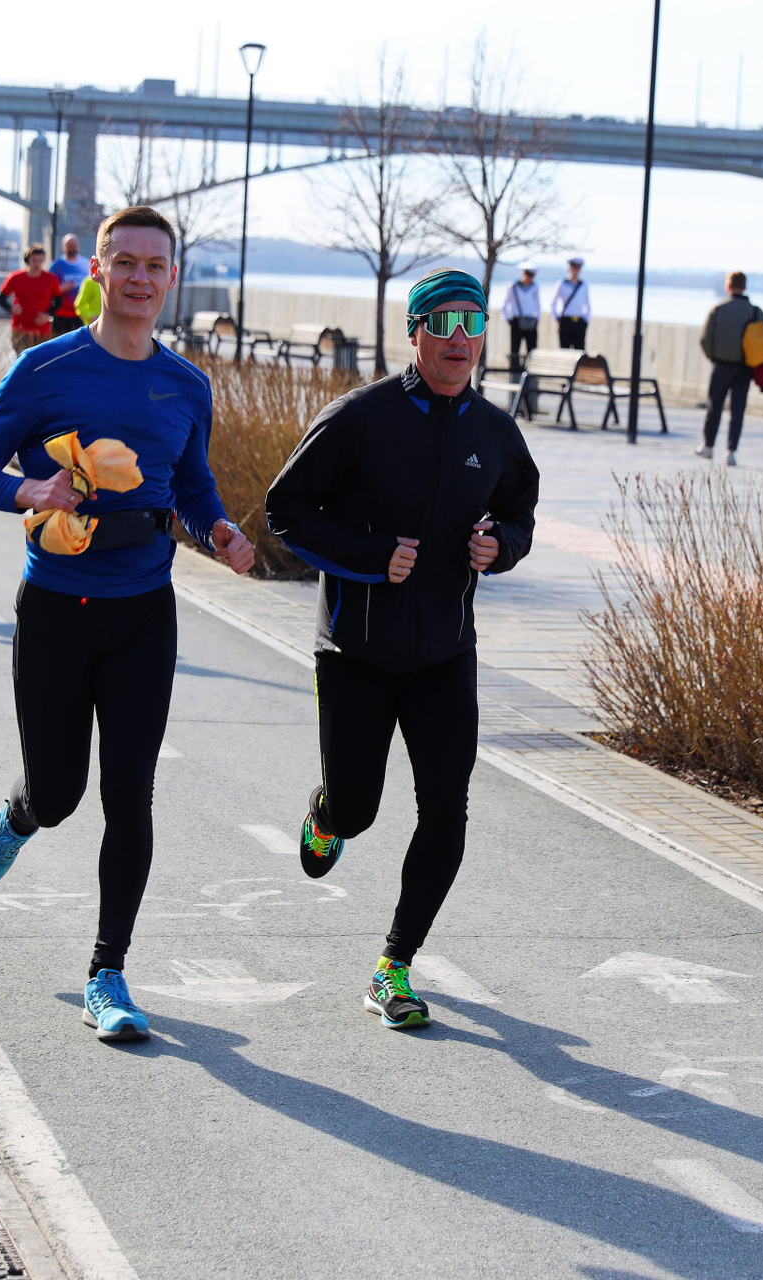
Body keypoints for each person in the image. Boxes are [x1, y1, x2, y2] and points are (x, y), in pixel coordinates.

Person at [0, 205, 255, 1044]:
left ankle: (107, 972)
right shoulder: (46, 369)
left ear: (171, 279)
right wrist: (31, 489)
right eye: (126, 263)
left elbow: (191, 486)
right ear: (99, 272)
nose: (141, 279)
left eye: (156, 266)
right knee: (59, 793)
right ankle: (19, 817)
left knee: (130, 792)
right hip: (55, 607)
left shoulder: (187, 384)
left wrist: (219, 531)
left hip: (144, 611)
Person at [266, 268, 540, 1032]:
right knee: (357, 809)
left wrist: (500, 546)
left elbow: (520, 514)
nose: (459, 340)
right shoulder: (361, 417)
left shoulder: (495, 432)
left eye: (472, 324)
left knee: (446, 813)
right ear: (414, 332)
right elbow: (286, 510)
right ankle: (327, 814)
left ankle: (393, 965)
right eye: (442, 324)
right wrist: (371, 556)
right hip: (355, 650)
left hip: (446, 654)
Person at [697, 271, 763, 465]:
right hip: (745, 368)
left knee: (714, 406)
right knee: (737, 410)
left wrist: (714, 356)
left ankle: (708, 446)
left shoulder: (719, 310)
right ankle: (730, 451)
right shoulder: (755, 312)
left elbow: (705, 339)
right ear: (745, 287)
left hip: (721, 365)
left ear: (727, 286)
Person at [0, 246, 64, 354]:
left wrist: (48, 315)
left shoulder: (51, 279)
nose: (37, 264)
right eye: (34, 260)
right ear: (27, 260)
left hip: (42, 330)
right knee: (22, 359)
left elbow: (58, 301)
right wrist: (11, 308)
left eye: (40, 261)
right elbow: (1, 299)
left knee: (40, 360)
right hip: (20, 329)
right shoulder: (15, 277)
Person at [501, 263, 541, 376]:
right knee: (515, 351)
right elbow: (505, 305)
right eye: (528, 274)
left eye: (532, 275)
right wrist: (510, 320)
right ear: (523, 273)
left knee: (532, 351)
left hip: (531, 322)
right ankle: (514, 375)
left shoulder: (535, 287)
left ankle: (530, 376)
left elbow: (538, 305)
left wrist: (536, 319)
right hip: (517, 321)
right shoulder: (513, 286)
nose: (530, 278)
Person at [48, 233, 91, 337]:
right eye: (69, 245)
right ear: (63, 247)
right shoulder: (56, 265)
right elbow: (48, 290)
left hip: (80, 314)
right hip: (60, 314)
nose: (72, 248)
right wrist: (62, 288)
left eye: (74, 245)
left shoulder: (86, 264)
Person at [552, 256, 590, 350]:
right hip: (566, 321)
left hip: (579, 321)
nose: (575, 271)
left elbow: (587, 304)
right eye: (574, 268)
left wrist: (586, 320)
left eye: (578, 269)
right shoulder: (562, 284)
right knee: (564, 349)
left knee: (580, 350)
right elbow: (553, 303)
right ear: (569, 269)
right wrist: (557, 318)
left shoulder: (583, 285)